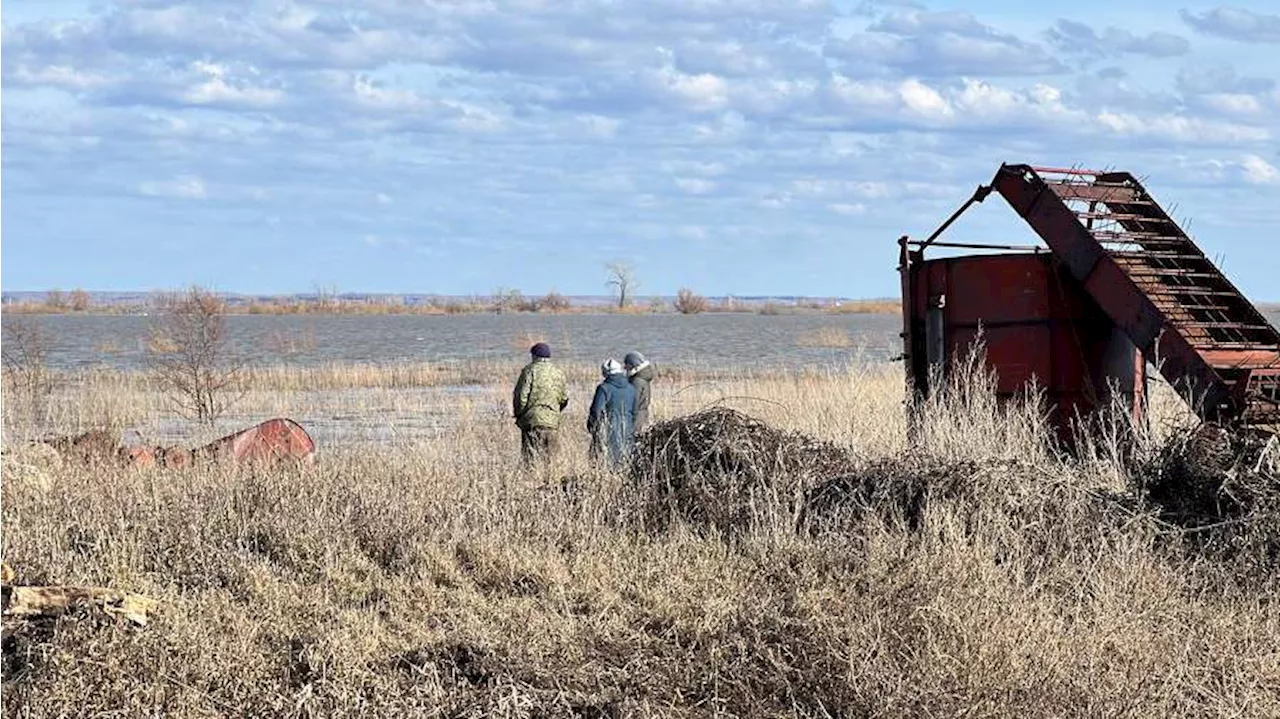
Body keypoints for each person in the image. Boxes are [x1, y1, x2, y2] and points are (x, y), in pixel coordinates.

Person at [512, 342, 569, 466]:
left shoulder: (529, 371)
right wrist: (555, 412)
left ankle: (532, 482)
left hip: (532, 421)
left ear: (534, 356)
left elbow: (521, 396)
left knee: (531, 460)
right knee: (552, 461)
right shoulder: (558, 372)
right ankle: (551, 482)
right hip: (552, 422)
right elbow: (564, 398)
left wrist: (519, 414)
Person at [587, 358, 636, 469]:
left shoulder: (604, 388)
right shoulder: (631, 388)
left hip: (608, 429)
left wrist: (592, 427)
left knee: (603, 461)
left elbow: (596, 411)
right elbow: (634, 411)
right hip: (627, 428)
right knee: (625, 459)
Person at [623, 351, 655, 433]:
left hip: (637, 418)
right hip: (643, 414)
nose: (625, 367)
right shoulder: (642, 378)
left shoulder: (637, 381)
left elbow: (634, 401)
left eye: (627, 364)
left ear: (633, 364)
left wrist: (630, 417)